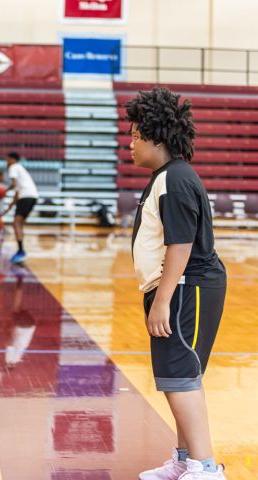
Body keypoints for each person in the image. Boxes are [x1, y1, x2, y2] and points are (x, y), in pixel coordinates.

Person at [127, 88, 227, 480]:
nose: (130, 143)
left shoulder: (176, 179)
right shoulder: (166, 177)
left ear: (158, 137)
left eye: (136, 135)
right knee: (181, 377)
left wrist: (162, 300)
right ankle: (186, 461)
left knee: (181, 377)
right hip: (178, 287)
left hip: (187, 286)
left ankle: (205, 469)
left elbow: (181, 244)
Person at [1, 152, 38, 264]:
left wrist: (4, 191)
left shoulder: (14, 167)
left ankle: (21, 251)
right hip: (32, 197)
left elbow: (13, 184)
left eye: (7, 159)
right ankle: (21, 250)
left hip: (26, 197)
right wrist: (7, 210)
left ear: (12, 159)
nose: (6, 162)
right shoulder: (21, 170)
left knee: (16, 223)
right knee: (19, 224)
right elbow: (17, 194)